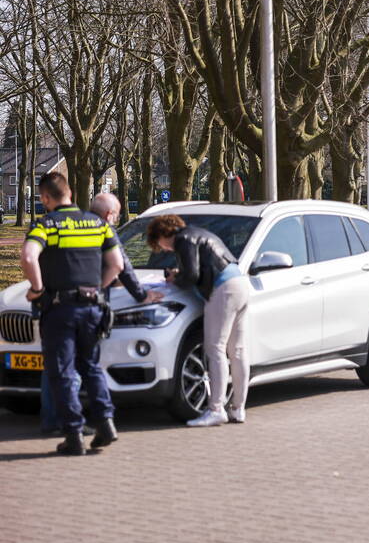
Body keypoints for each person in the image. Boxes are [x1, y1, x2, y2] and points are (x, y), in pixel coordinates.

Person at [21, 173, 124, 455]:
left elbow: (29, 257)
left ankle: (74, 433)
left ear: (45, 198)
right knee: (90, 367)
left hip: (59, 309)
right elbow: (116, 264)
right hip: (93, 308)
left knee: (63, 372)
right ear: (69, 192)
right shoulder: (98, 224)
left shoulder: (47, 225)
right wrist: (96, 289)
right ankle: (105, 422)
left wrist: (37, 289)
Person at [146, 214, 250, 426]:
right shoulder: (199, 233)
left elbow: (191, 276)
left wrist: (175, 278)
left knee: (215, 349)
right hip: (240, 284)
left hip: (222, 289)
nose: (164, 249)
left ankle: (216, 409)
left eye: (160, 244)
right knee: (237, 350)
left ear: (164, 234)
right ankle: (238, 408)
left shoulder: (183, 240)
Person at [90, 193, 163, 305]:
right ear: (109, 215)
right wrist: (142, 295)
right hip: (90, 301)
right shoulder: (104, 228)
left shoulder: (70, 225)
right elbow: (120, 265)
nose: (115, 221)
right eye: (117, 217)